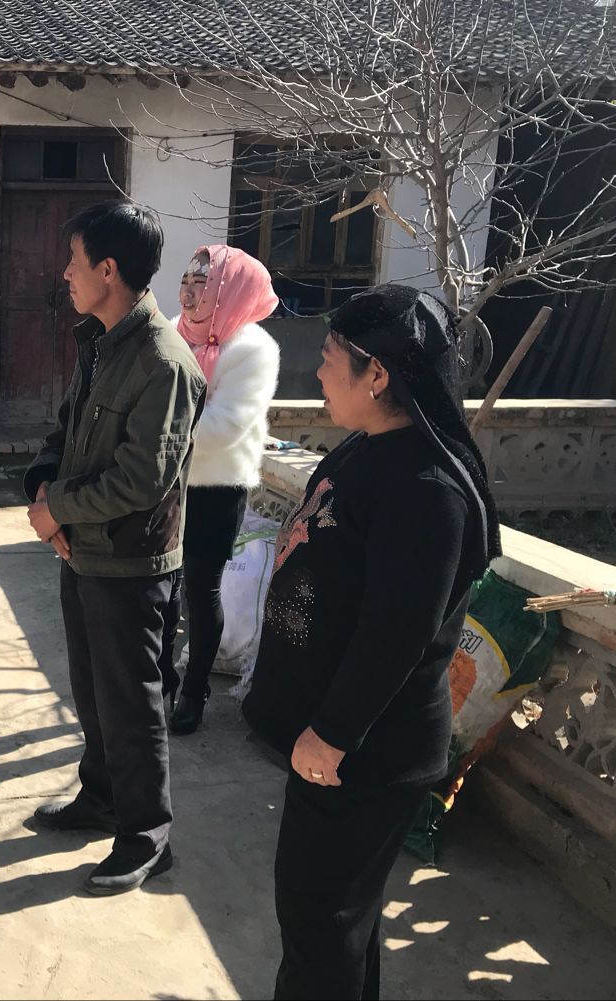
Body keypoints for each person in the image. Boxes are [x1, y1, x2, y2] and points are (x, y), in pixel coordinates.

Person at [242, 285, 501, 999]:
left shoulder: (426, 488)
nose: (318, 371)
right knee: (336, 920)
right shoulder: (373, 448)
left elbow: (398, 631)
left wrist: (331, 734)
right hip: (339, 744)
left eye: (331, 357)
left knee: (320, 920)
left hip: (366, 752)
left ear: (377, 373)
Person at [24, 201, 205, 895]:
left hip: (131, 563)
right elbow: (67, 432)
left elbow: (141, 480)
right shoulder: (100, 342)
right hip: (83, 552)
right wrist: (43, 488)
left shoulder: (163, 361)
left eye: (74, 262)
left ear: (108, 270)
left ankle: (147, 835)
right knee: (94, 695)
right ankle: (100, 797)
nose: (64, 275)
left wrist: (57, 511)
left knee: (132, 707)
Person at [163, 245, 280, 734]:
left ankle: (194, 690)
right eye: (185, 283)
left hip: (217, 486)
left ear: (231, 292)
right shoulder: (173, 332)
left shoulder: (252, 349)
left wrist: (157, 428)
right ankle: (162, 679)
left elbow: (224, 426)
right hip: (170, 481)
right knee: (163, 586)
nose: (188, 295)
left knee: (200, 589)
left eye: (202, 285)